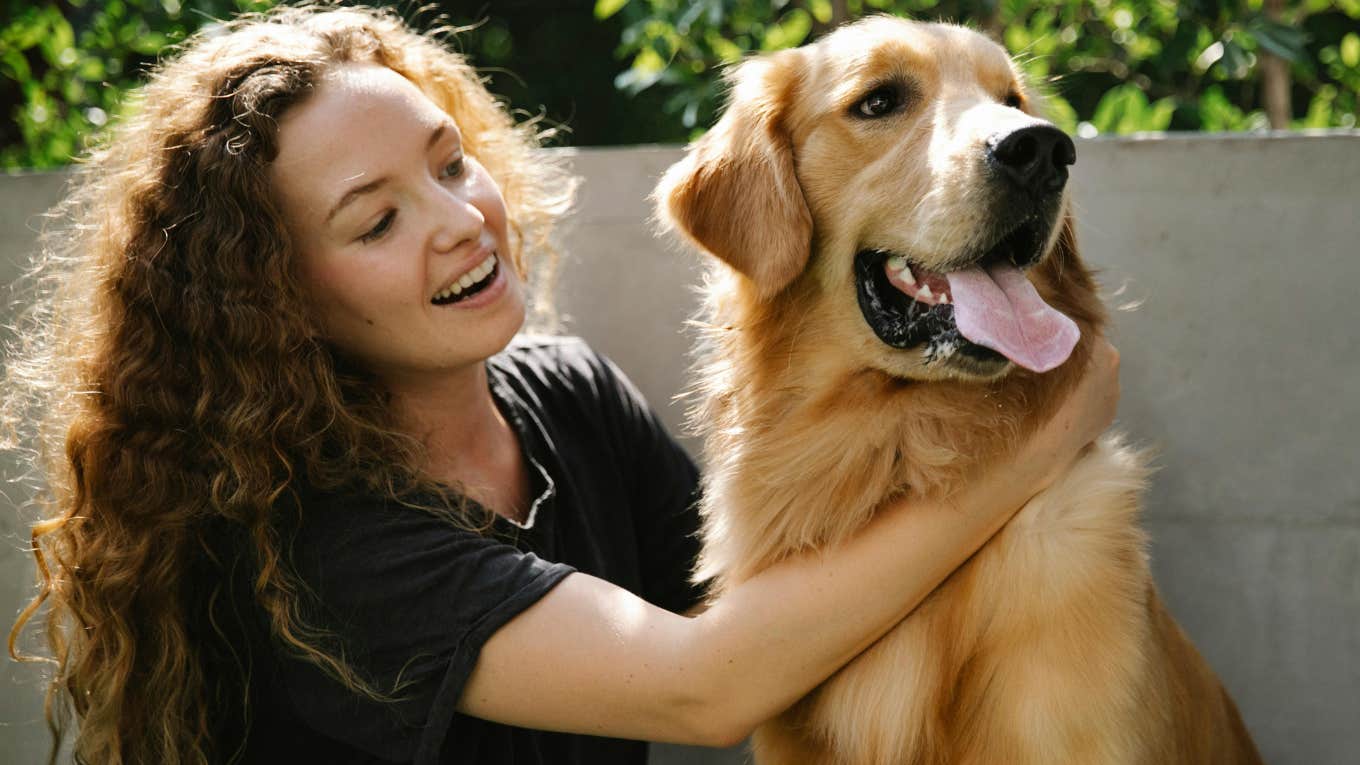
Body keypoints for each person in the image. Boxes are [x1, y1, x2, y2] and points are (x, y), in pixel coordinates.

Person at [1, 6, 1121, 765]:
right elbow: (707, 683)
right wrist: (1037, 442)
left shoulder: (566, 396)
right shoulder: (316, 548)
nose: (457, 221)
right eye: (378, 219)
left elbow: (782, 614)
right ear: (274, 302)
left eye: (449, 163)